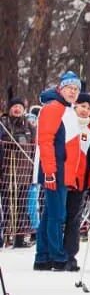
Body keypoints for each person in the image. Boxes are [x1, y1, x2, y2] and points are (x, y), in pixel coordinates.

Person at [34, 71, 85, 270]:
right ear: (60, 88)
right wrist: (49, 171)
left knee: (50, 213)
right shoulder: (54, 108)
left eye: (76, 89)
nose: (73, 92)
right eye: (69, 88)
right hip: (55, 169)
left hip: (62, 169)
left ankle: (43, 256)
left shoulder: (66, 109)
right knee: (57, 214)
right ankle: (57, 256)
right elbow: (45, 141)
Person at [62, 92, 90, 272]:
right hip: (63, 178)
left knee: (74, 219)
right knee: (57, 216)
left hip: (81, 182)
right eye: (82, 106)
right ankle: (53, 253)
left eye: (89, 108)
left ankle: (70, 254)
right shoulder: (67, 124)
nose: (85, 110)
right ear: (75, 106)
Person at [1, 97, 34, 247]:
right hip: (7, 171)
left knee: (21, 205)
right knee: (7, 205)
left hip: (24, 171)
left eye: (20, 106)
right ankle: (6, 235)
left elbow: (34, 144)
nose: (17, 109)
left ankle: (20, 237)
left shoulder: (28, 125)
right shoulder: (4, 124)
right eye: (14, 106)